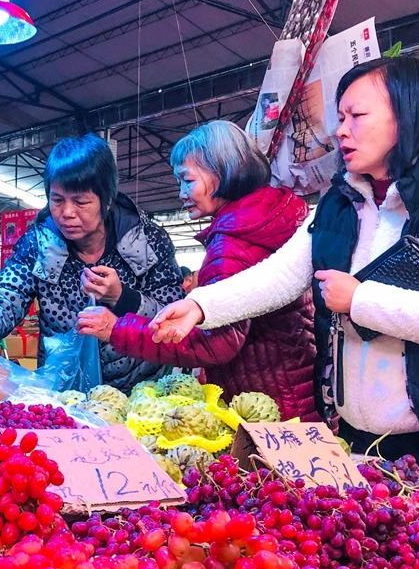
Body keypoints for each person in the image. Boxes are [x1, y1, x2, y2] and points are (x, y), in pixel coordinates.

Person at [148, 56, 419, 469]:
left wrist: (359, 300)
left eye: (357, 116)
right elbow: (284, 274)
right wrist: (202, 306)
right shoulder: (343, 200)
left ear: (408, 116)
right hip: (357, 438)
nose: (341, 130)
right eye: (340, 117)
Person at [77, 121, 316, 420]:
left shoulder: (234, 244)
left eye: (187, 180)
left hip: (264, 407)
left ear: (222, 171)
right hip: (293, 387)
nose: (181, 193)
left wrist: (117, 329)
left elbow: (215, 342)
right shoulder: (268, 221)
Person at [0, 134, 185, 393]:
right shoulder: (39, 243)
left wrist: (123, 298)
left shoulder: (147, 241)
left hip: (139, 392)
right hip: (66, 391)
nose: (67, 212)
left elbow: (172, 316)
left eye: (80, 201)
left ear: (107, 200)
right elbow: (6, 293)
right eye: (57, 200)